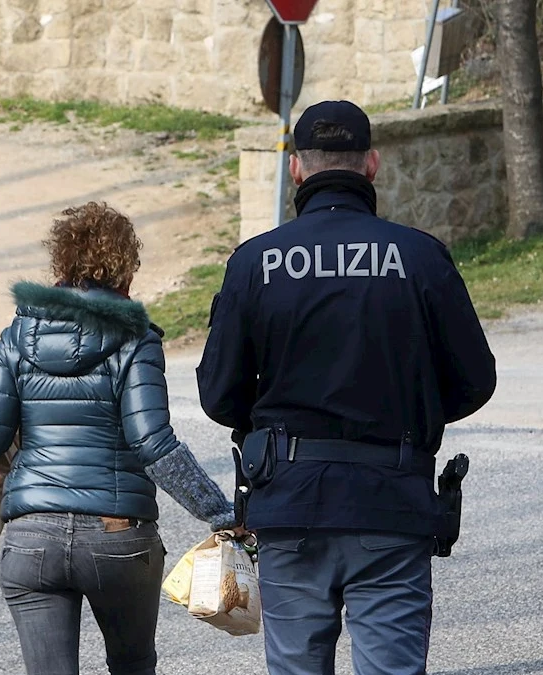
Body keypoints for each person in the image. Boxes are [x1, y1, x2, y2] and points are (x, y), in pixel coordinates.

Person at [197, 100, 496, 675]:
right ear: (372, 165)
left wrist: (268, 425)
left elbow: (218, 395)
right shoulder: (420, 257)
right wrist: (414, 411)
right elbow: (475, 380)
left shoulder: (255, 263)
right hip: (391, 501)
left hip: (290, 503)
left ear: (296, 170)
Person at [0, 202, 238, 675]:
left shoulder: (19, 335)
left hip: (32, 535)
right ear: (125, 271)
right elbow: (153, 444)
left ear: (60, 265)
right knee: (132, 663)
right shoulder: (135, 340)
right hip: (118, 537)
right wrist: (221, 513)